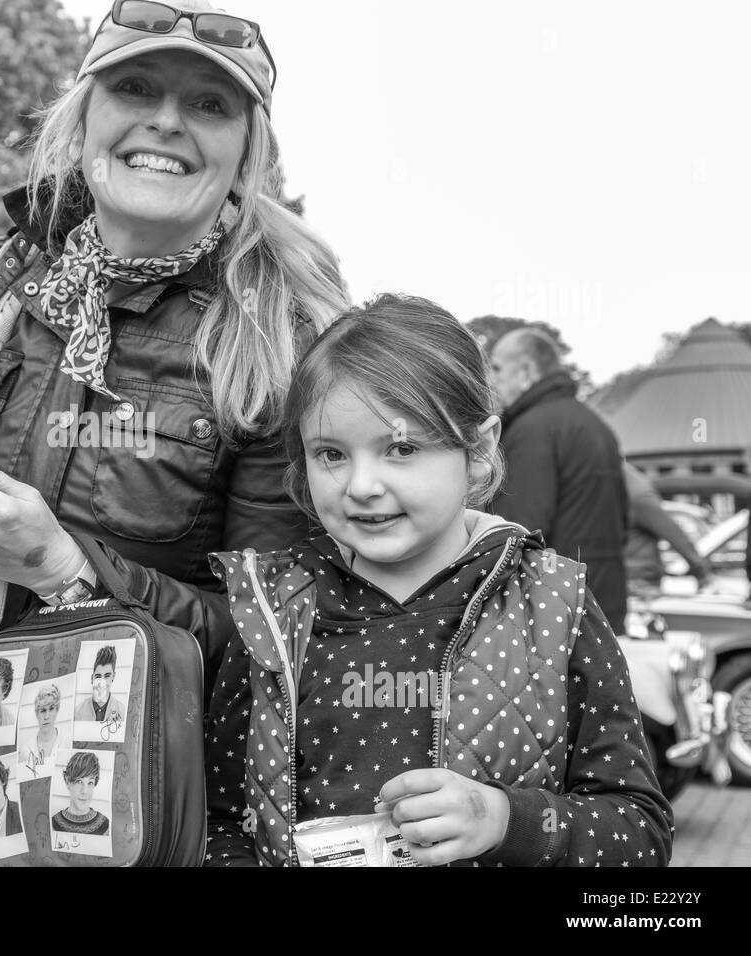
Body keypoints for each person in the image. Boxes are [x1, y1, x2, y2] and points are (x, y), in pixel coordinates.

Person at [0, 0, 347, 866]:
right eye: (136, 87)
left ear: (247, 153)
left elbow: (284, 655)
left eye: (210, 104)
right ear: (85, 115)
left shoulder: (284, 345)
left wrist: (68, 571)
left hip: (109, 819)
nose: (165, 122)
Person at [201, 294, 672, 866]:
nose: (362, 485)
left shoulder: (554, 605)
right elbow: (222, 818)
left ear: (479, 450)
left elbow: (639, 830)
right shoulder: (271, 613)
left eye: (400, 448)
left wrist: (505, 819)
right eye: (330, 454)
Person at [487, 327, 629, 632]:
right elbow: (622, 521)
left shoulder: (532, 430)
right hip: (602, 601)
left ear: (526, 371)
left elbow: (519, 530)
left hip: (554, 611)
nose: (493, 382)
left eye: (497, 369)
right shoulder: (594, 424)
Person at [623, 462, 712, 596]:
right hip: (639, 581)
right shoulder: (634, 489)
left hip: (625, 577)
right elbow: (672, 533)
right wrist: (701, 572)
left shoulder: (606, 485)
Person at [51, 752, 110, 836]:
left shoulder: (106, 827)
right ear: (67, 782)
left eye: (90, 782)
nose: (84, 791)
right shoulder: (52, 825)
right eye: (79, 781)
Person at [75, 645, 126, 724]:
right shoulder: (77, 712)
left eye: (107, 676)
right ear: (92, 678)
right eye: (98, 676)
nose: (102, 683)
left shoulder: (122, 712)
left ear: (113, 677)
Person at [21, 684, 64, 768]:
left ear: (57, 710)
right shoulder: (26, 750)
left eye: (51, 709)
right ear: (37, 713)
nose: (47, 716)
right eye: (43, 710)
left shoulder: (66, 740)